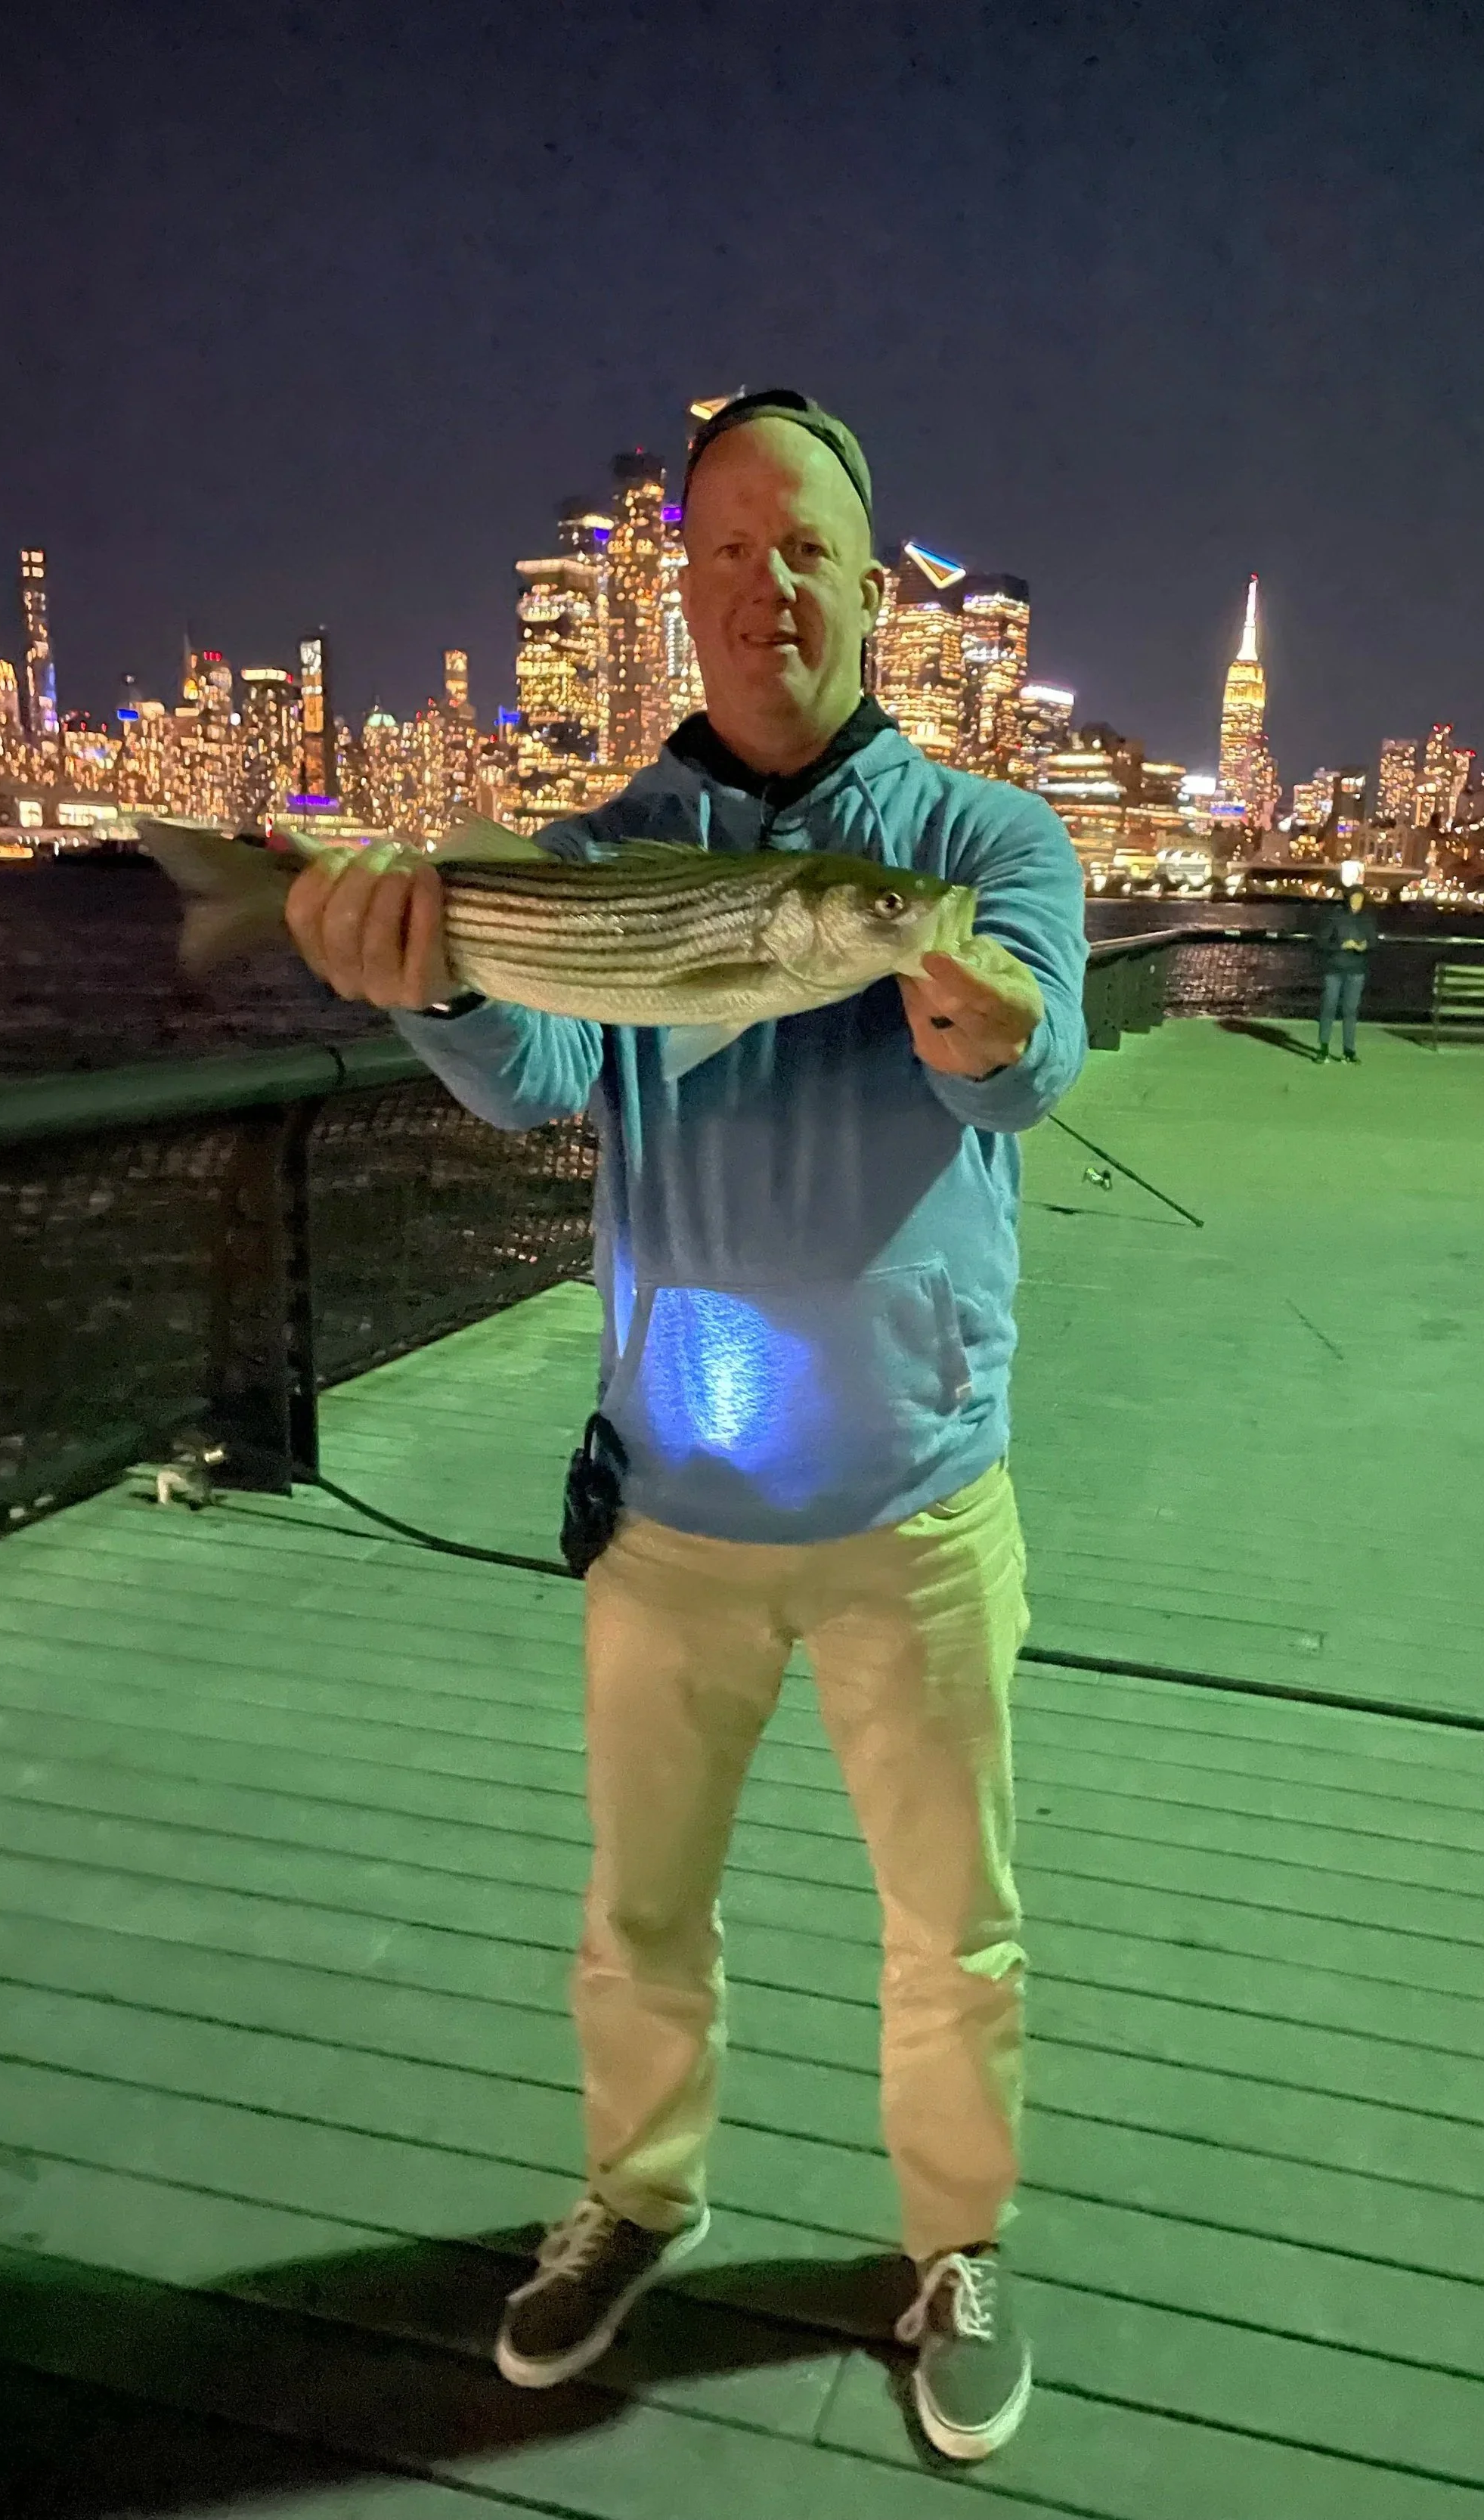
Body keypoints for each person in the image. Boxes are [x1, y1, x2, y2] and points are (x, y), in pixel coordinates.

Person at [284, 389, 1087, 2465]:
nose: (763, 584)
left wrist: (985, 1021)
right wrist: (422, 976)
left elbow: (1025, 1067)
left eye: (804, 544)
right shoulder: (599, 853)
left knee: (956, 1928)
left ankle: (949, 2244)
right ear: (677, 588)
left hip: (918, 1503)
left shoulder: (984, 842)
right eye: (722, 547)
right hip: (673, 1510)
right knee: (637, 1913)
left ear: (863, 579)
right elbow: (536, 1056)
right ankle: (638, 2195)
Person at [1312, 871, 1379, 1063]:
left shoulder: (1367, 919)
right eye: (1353, 899)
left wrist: (1364, 946)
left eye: (1359, 900)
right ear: (1348, 899)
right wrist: (1340, 945)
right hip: (1334, 969)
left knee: (1350, 1010)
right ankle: (1323, 1048)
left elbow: (1374, 941)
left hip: (1356, 970)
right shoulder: (1335, 917)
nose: (1356, 903)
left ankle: (1349, 1050)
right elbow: (1321, 941)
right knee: (1329, 1008)